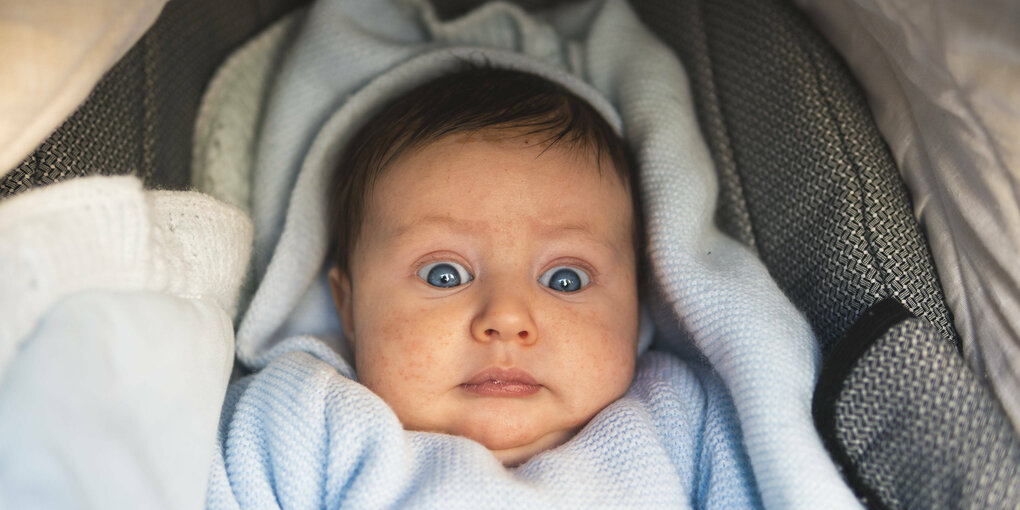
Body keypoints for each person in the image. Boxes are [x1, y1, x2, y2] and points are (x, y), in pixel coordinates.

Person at [326, 66, 644, 467]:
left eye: (566, 280)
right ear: (348, 308)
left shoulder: (672, 426)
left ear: (640, 304)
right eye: (444, 275)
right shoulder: (315, 425)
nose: (507, 318)